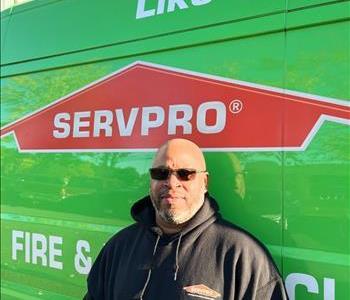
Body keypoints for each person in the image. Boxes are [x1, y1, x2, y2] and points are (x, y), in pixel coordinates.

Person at [84, 138, 288, 300]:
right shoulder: (119, 248)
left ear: (205, 182)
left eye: (185, 174)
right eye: (160, 173)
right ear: (151, 180)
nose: (172, 183)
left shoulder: (242, 256)